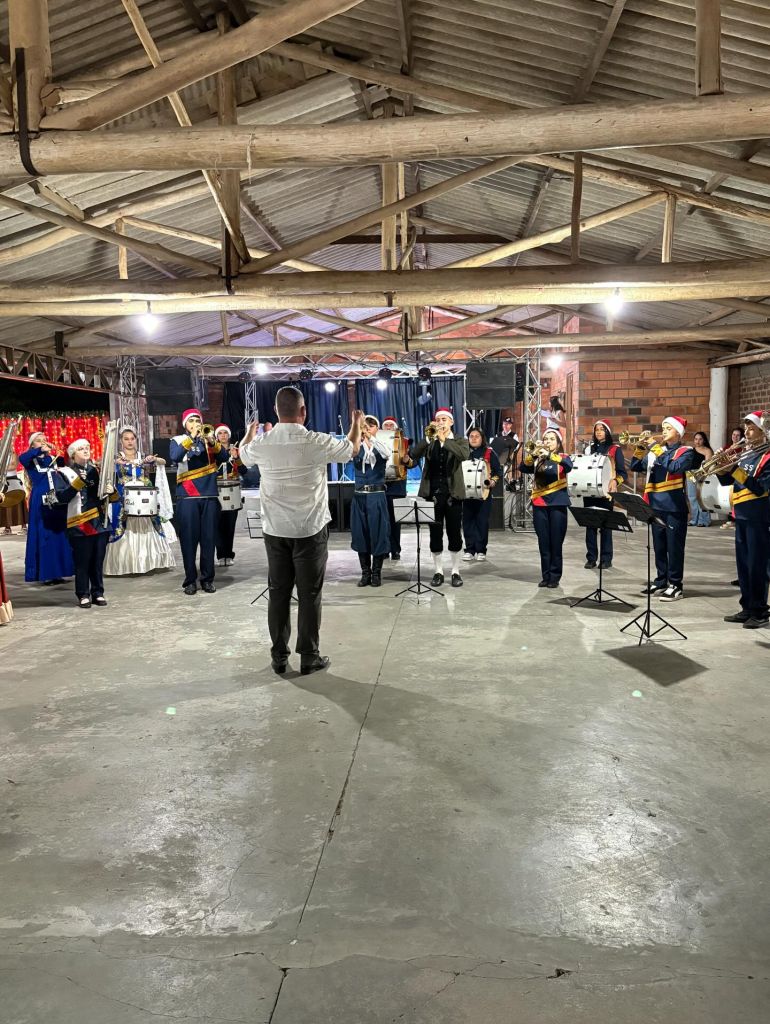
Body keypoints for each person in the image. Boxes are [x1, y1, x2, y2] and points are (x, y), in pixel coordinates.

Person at [239, 387, 363, 675]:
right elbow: (352, 449)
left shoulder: (263, 442)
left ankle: (279, 657)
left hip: (275, 530)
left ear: (276, 410)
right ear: (303, 411)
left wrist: (249, 432)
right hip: (309, 529)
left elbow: (243, 454)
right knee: (309, 594)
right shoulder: (315, 441)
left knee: (278, 593)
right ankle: (309, 656)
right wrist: (356, 423)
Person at [629, 415, 694, 602]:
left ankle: (676, 585)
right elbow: (635, 466)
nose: (664, 431)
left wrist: (656, 449)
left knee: (674, 548)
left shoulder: (686, 452)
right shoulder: (657, 452)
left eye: (668, 428)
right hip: (655, 505)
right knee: (659, 546)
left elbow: (674, 467)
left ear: (678, 432)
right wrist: (640, 448)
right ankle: (661, 580)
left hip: (674, 507)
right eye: (663, 427)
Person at [405, 407, 470, 588]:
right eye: (438, 419)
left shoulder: (460, 440)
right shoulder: (430, 441)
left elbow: (464, 455)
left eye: (444, 419)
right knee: (435, 535)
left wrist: (444, 440)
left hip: (453, 495)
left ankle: (455, 571)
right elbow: (413, 455)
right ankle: (438, 571)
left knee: (454, 534)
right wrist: (428, 438)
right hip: (432, 495)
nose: (441, 422)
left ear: (451, 422)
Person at [169, 409, 229, 595]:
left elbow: (225, 458)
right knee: (188, 541)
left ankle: (207, 579)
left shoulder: (209, 441)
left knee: (209, 540)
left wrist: (212, 441)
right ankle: (190, 581)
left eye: (197, 420)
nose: (195, 423)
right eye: (191, 421)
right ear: (185, 425)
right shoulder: (178, 440)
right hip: (188, 497)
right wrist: (191, 438)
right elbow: (175, 457)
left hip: (209, 497)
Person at [720, 411, 770, 629]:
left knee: (757, 565)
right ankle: (747, 607)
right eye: (746, 428)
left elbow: (759, 488)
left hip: (759, 516)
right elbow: (728, 482)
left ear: (763, 432)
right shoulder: (747, 455)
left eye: (751, 428)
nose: (746, 432)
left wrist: (734, 469)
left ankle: (760, 611)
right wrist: (723, 468)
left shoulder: (767, 457)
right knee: (743, 566)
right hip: (740, 515)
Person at [53, 438, 118, 608]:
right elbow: (61, 497)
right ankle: (83, 594)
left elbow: (108, 499)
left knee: (97, 561)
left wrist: (112, 492)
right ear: (72, 454)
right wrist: (77, 483)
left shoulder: (97, 470)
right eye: (81, 448)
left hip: (99, 521)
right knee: (82, 561)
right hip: (79, 523)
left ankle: (98, 592)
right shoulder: (63, 473)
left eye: (87, 447)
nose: (86, 450)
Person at [105, 426, 176, 576]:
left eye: (132, 439)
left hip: (144, 498)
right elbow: (102, 464)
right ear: (121, 441)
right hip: (124, 498)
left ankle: (149, 562)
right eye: (126, 439)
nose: (130, 442)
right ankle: (125, 564)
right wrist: (114, 462)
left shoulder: (142, 456)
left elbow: (163, 461)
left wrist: (154, 459)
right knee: (122, 525)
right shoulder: (117, 456)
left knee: (149, 524)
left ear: (136, 440)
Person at [520, 428, 572, 589]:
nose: (548, 441)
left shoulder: (562, 457)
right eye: (546, 439)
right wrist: (533, 453)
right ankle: (546, 576)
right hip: (539, 503)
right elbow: (523, 467)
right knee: (543, 542)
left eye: (551, 439)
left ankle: (555, 577)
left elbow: (568, 466)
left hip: (558, 504)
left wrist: (549, 455)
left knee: (556, 542)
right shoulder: (538, 459)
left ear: (558, 443)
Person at [19, 431, 73, 585]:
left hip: (56, 500)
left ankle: (59, 572)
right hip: (40, 501)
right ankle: (45, 573)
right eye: (38, 440)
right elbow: (22, 458)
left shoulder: (52, 459)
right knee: (44, 535)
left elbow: (67, 463)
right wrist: (38, 450)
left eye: (44, 439)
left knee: (58, 535)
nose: (43, 442)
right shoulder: (30, 460)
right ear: (32, 445)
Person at [351, 415, 391, 588]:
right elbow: (347, 452)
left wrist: (371, 438)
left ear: (377, 429)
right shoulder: (355, 446)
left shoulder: (381, 445)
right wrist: (357, 435)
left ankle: (376, 573)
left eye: (371, 425)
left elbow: (387, 454)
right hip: (359, 496)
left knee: (378, 533)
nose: (367, 428)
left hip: (376, 495)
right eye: (365, 425)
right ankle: (365, 573)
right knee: (361, 534)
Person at [584, 420, 627, 569]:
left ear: (607, 432)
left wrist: (615, 481)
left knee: (605, 527)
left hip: (605, 494)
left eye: (602, 429)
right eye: (596, 429)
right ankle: (591, 558)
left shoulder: (615, 449)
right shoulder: (589, 449)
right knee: (590, 526)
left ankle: (606, 559)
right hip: (590, 492)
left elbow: (622, 473)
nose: (599, 432)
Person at [462, 426, 502, 562]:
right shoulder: (463, 452)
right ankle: (469, 549)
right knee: (467, 522)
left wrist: (493, 481)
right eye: (471, 436)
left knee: (482, 522)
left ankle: (481, 550)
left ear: (482, 438)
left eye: (477, 436)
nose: (473, 439)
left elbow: (498, 471)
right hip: (466, 494)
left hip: (484, 494)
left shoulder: (489, 452)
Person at [214, 424, 248, 567]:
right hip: (216, 490)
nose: (223, 435)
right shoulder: (212, 451)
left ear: (229, 435)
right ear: (216, 436)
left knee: (230, 526)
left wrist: (236, 457)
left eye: (225, 433)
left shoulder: (235, 449)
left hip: (232, 490)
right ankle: (220, 555)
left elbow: (244, 471)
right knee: (217, 525)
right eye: (220, 433)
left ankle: (228, 554)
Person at [381, 416, 408, 561]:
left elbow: (413, 462)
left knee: (396, 521)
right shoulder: (377, 442)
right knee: (383, 521)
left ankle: (395, 549)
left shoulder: (403, 442)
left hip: (397, 487)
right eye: (386, 425)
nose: (388, 427)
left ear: (396, 428)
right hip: (381, 486)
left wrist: (407, 460)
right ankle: (384, 549)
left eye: (391, 425)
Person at [491, 417, 520, 529]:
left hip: (508, 456)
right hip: (498, 456)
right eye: (504, 424)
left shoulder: (514, 435)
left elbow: (515, 448)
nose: (505, 426)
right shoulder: (498, 434)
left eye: (508, 424)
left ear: (510, 425)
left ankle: (507, 481)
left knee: (507, 464)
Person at [687, 431, 714, 528]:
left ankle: (704, 520)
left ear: (704, 440)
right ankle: (694, 519)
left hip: (702, 475)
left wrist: (699, 474)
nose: (697, 441)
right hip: (690, 474)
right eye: (696, 439)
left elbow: (708, 466)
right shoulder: (691, 450)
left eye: (700, 439)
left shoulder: (707, 451)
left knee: (701, 498)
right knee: (692, 497)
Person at [721, 427, 745, 530]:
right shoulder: (727, 447)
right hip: (727, 474)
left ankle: (735, 520)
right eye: (733, 435)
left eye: (738, 435)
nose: (735, 437)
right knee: (729, 497)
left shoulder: (742, 448)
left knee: (735, 497)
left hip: (736, 474)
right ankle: (731, 518)